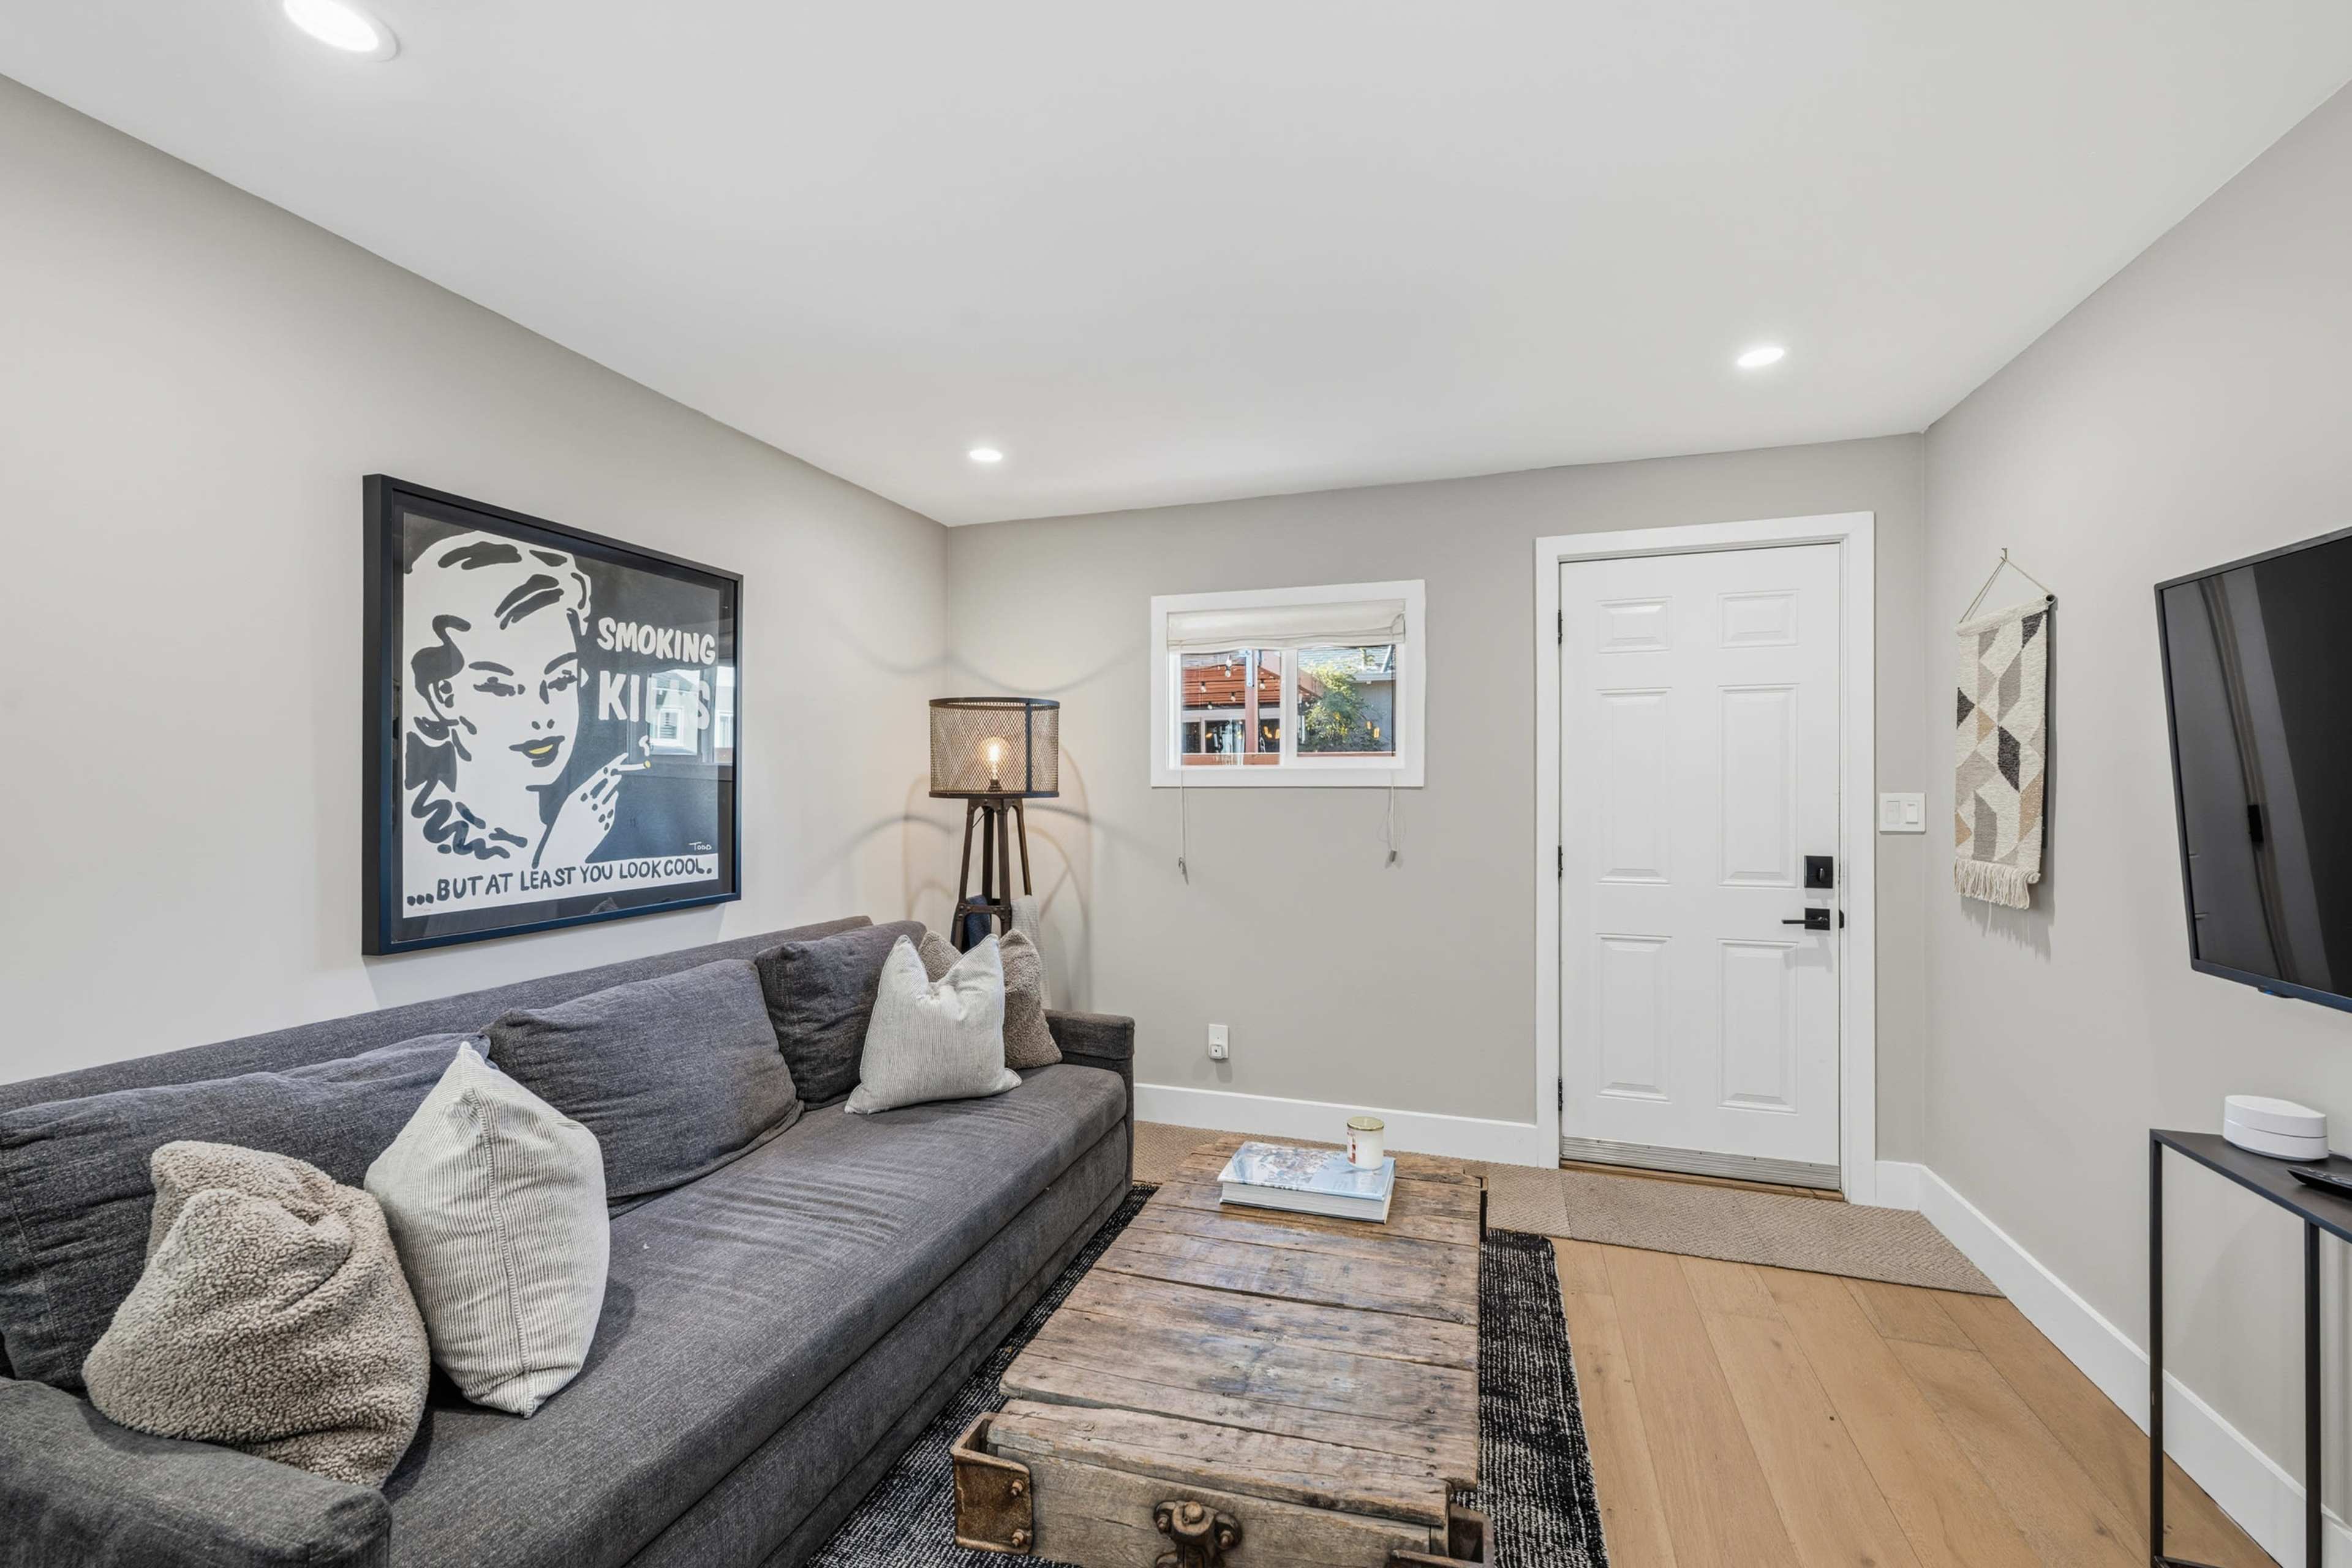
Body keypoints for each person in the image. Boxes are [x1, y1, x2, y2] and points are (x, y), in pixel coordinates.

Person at [401, 531, 636, 886]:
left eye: (560, 680)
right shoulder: (433, 845)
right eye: (500, 686)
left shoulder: (589, 821)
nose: (542, 715)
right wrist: (561, 858)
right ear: (443, 696)